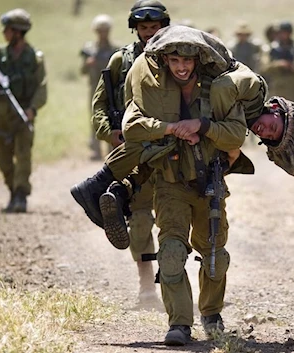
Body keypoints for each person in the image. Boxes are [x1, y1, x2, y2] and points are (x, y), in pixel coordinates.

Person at [71, 25, 294, 345]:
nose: (265, 131)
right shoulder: (165, 83)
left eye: (268, 137)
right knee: (171, 252)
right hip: (170, 182)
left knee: (215, 255)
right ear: (276, 108)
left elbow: (232, 137)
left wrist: (202, 127)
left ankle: (211, 315)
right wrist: (174, 127)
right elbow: (135, 128)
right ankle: (179, 323)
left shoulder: (231, 99)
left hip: (208, 184)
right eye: (271, 126)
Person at [88, 0, 170, 305]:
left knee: (175, 217)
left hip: (170, 150)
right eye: (144, 27)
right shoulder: (120, 61)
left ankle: (174, 280)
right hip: (133, 155)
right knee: (138, 221)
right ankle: (146, 285)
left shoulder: (179, 55)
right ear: (135, 29)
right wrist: (108, 131)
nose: (149, 33)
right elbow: (99, 105)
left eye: (154, 26)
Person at [0, 9, 47, 213]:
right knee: (3, 159)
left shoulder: (35, 58)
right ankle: (12, 191)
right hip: (1, 116)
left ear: (18, 32)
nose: (4, 33)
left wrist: (32, 109)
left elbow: (42, 86)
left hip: (23, 115)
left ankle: (21, 195)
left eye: (8, 29)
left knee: (23, 157)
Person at [80, 14, 119, 161]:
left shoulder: (115, 50)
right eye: (100, 31)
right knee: (95, 119)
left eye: (105, 30)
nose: (103, 34)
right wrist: (88, 63)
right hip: (94, 89)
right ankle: (96, 150)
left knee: (112, 118)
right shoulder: (90, 50)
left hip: (111, 90)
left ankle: (111, 149)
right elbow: (82, 71)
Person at [260, 21, 294, 103]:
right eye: (281, 32)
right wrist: (279, 64)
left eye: (286, 32)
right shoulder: (270, 48)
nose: (283, 35)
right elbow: (264, 67)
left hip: (293, 88)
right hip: (276, 87)